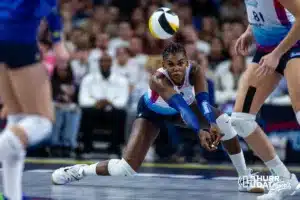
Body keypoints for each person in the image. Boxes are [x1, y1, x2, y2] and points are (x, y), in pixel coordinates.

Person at [52, 42, 262, 193]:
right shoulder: (158, 80)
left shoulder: (196, 71)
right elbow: (182, 108)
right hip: (153, 113)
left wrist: (211, 124)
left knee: (223, 120)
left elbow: (204, 102)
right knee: (126, 169)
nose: (176, 68)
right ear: (164, 65)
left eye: (181, 63)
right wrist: (201, 130)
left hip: (182, 110)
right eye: (171, 64)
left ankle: (244, 177)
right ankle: (79, 170)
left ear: (187, 62)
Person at [0, 1, 69, 199]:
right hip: (19, 38)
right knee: (42, 122)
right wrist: (57, 41)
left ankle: (12, 196)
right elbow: (50, 7)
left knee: (17, 120)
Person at [232, 0, 300, 199]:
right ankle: (285, 179)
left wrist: (277, 54)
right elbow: (260, 10)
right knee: (240, 119)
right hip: (266, 50)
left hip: (294, 46)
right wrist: (250, 30)